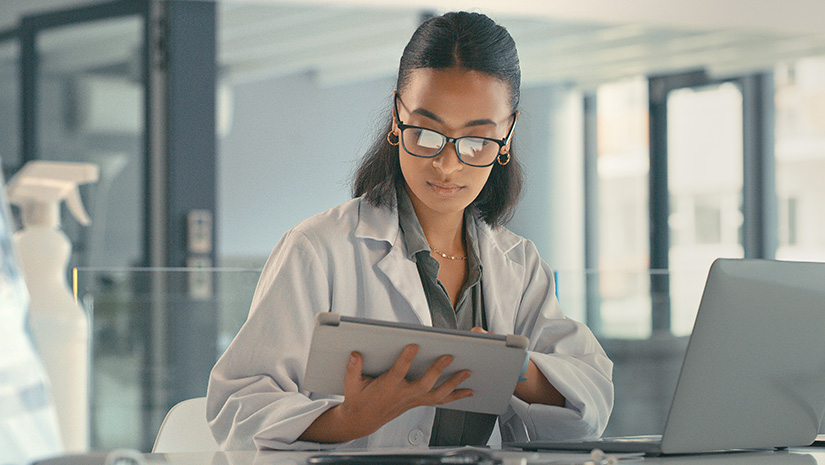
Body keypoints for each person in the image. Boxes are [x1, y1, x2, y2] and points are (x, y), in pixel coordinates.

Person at [207, 11, 613, 450]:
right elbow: (237, 407)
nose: (447, 164)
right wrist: (347, 420)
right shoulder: (317, 249)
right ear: (398, 118)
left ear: (507, 136)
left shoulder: (519, 264)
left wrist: (515, 367)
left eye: (477, 141)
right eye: (426, 132)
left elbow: (590, 402)